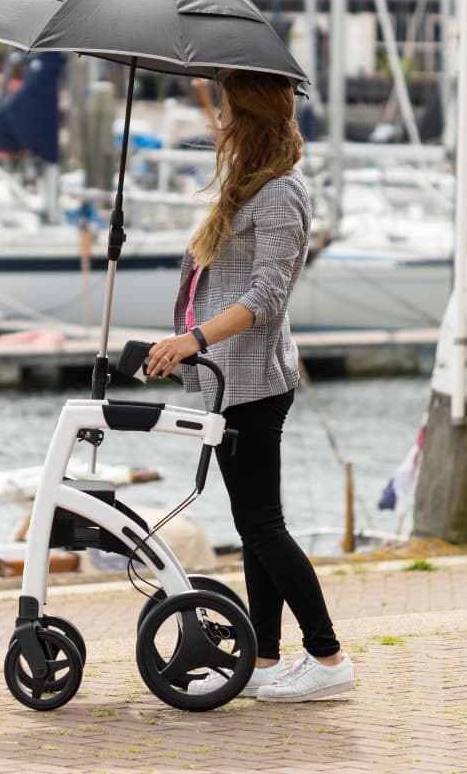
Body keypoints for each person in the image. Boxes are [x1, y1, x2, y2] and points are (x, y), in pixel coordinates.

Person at [144, 69, 354, 704]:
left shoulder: (283, 193)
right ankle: (262, 659)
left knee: (264, 525)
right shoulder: (249, 188)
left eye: (228, 110)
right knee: (253, 524)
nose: (218, 121)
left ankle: (328, 655)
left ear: (253, 119)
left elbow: (266, 294)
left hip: (255, 379)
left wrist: (194, 339)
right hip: (229, 381)